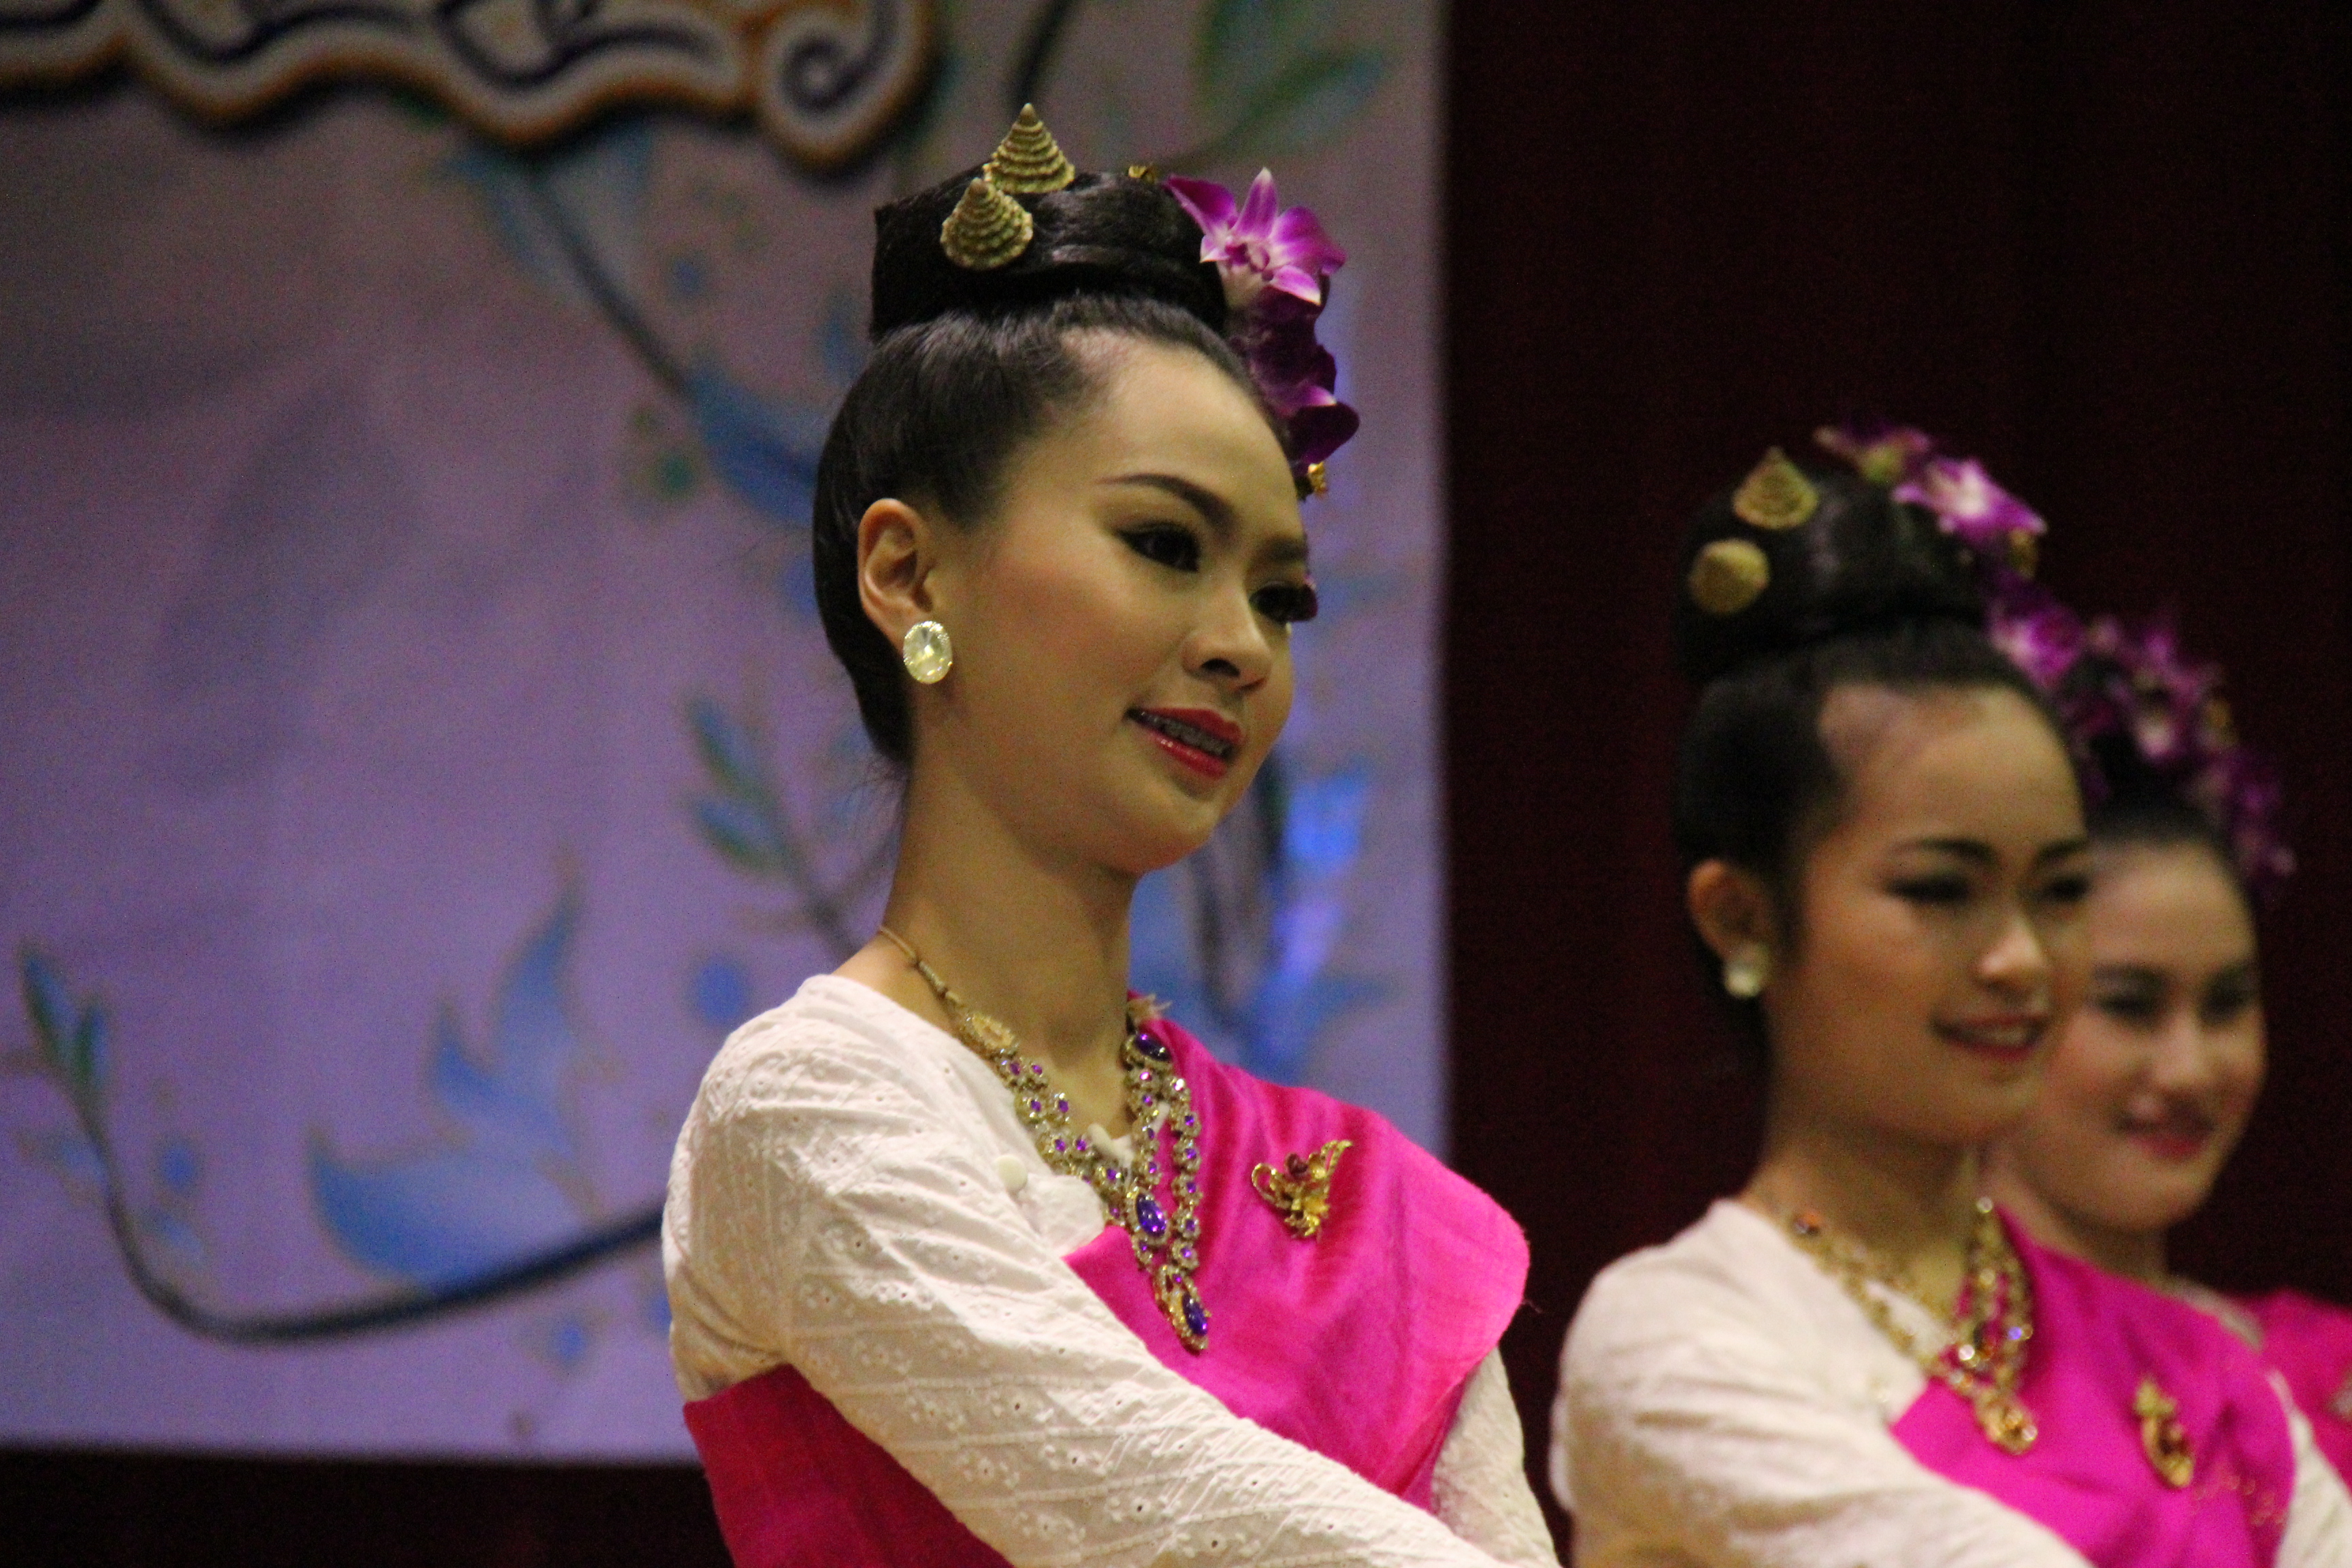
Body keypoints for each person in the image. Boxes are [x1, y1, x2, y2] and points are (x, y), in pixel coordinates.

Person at [661, 108, 1554, 1568]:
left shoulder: (1361, 1199)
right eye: (1163, 545)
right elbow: (1169, 1517)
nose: (1242, 646)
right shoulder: (810, 1109)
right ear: (907, 571)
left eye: (1281, 598)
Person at [1549, 427, 2352, 1566]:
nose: (2022, 959)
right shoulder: (1679, 1340)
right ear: (1743, 919)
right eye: (1941, 890)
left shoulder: (2204, 1372)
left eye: (2059, 891)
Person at [1982, 589, 2352, 1481]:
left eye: (2227, 1005)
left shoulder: (2321, 1372)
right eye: (2129, 1005)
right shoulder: (1884, 1376)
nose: (2189, 1071)